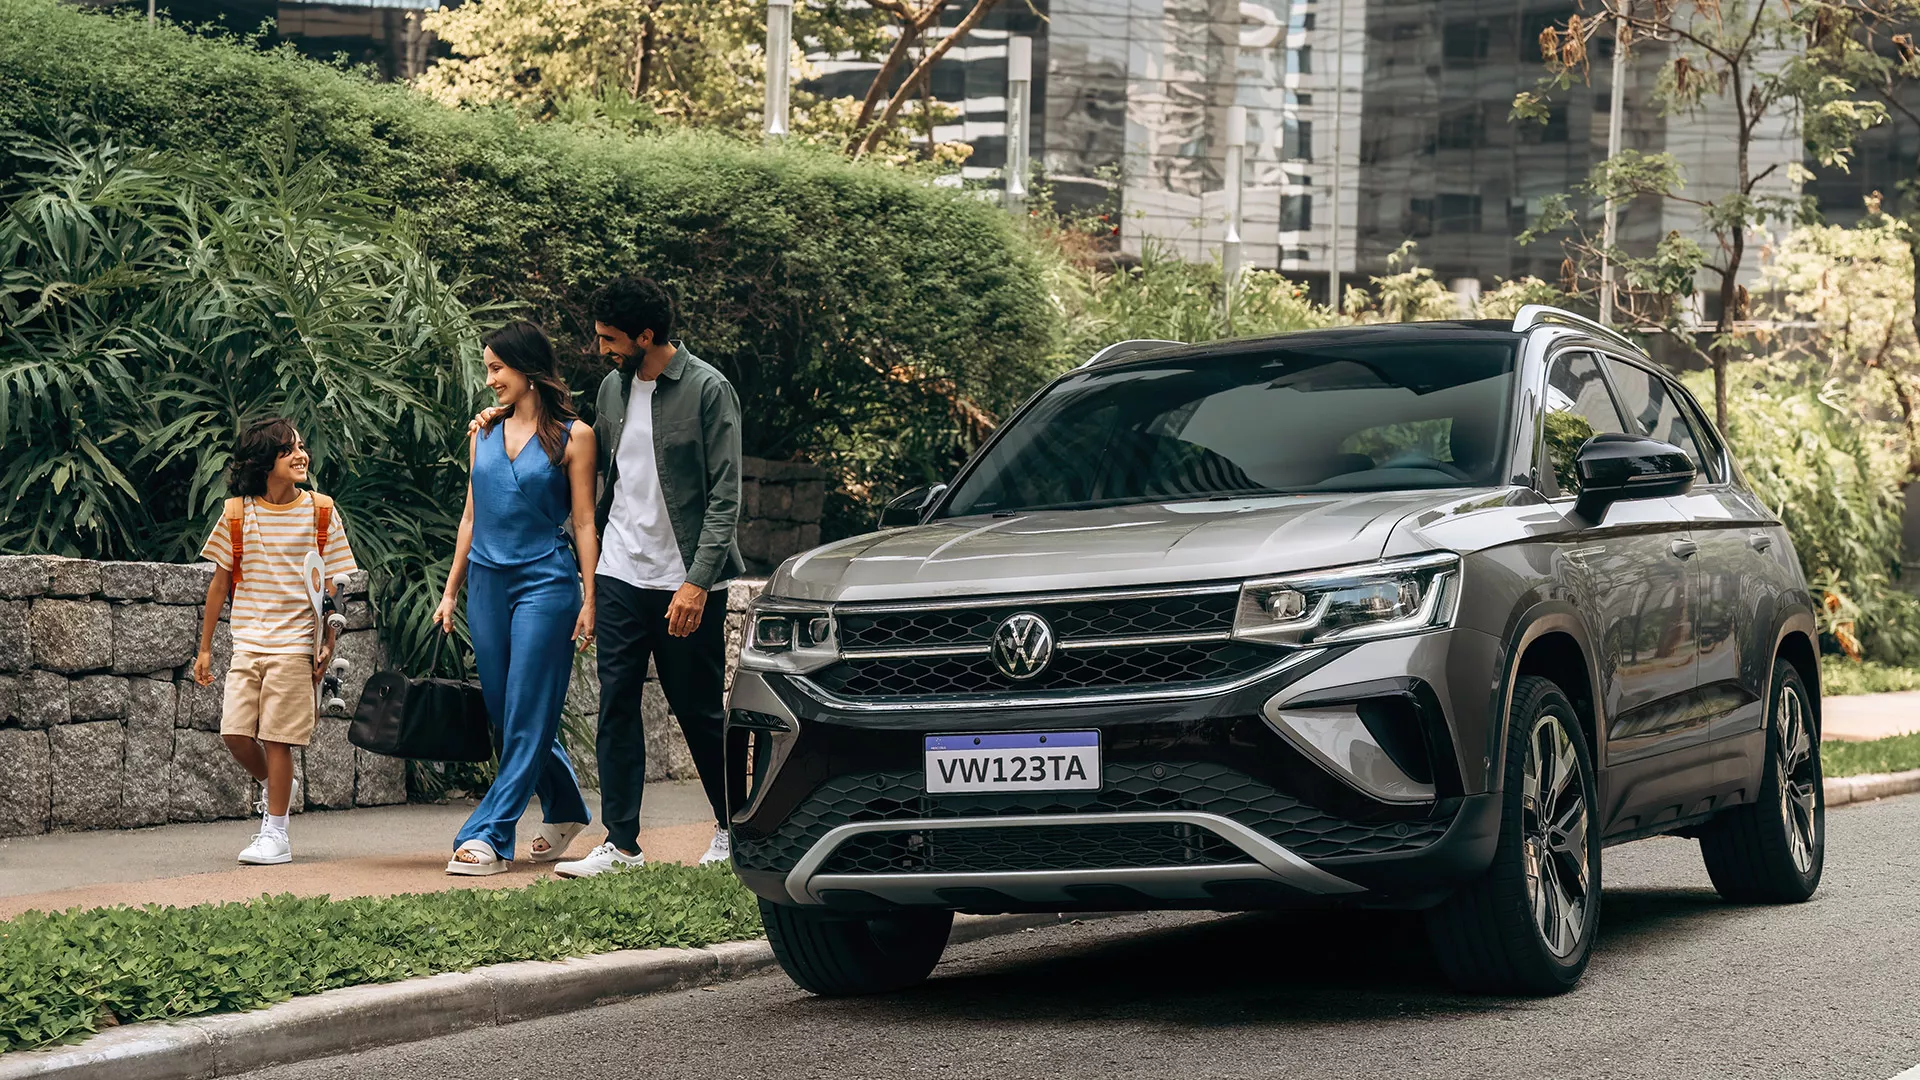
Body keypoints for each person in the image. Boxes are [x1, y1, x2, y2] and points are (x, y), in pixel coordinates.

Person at [555, 276, 744, 877]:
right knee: (616, 704)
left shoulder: (709, 390)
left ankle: (731, 828)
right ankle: (622, 844)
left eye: (610, 339)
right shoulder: (612, 390)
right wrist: (499, 414)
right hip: (619, 573)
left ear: (646, 335)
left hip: (685, 582)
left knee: (697, 708)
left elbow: (725, 499)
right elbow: (587, 457)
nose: (602, 350)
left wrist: (697, 581)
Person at [434, 322, 600, 875]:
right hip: (485, 581)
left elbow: (583, 521)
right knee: (508, 717)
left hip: (546, 585)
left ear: (527, 368)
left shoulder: (575, 436)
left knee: (528, 713)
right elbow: (470, 517)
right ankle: (568, 807)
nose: (490, 380)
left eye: (497, 368)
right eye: (488, 368)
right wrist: (451, 588)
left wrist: (590, 595)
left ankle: (489, 834)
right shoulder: (482, 433)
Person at [194, 418, 359, 866]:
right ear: (265, 462)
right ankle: (277, 789)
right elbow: (219, 584)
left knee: (278, 738)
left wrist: (330, 642)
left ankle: (278, 833)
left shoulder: (321, 511)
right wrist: (206, 647)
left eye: (302, 446)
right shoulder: (236, 514)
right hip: (248, 641)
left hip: (294, 643)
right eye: (289, 450)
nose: (301, 455)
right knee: (234, 733)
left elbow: (335, 587)